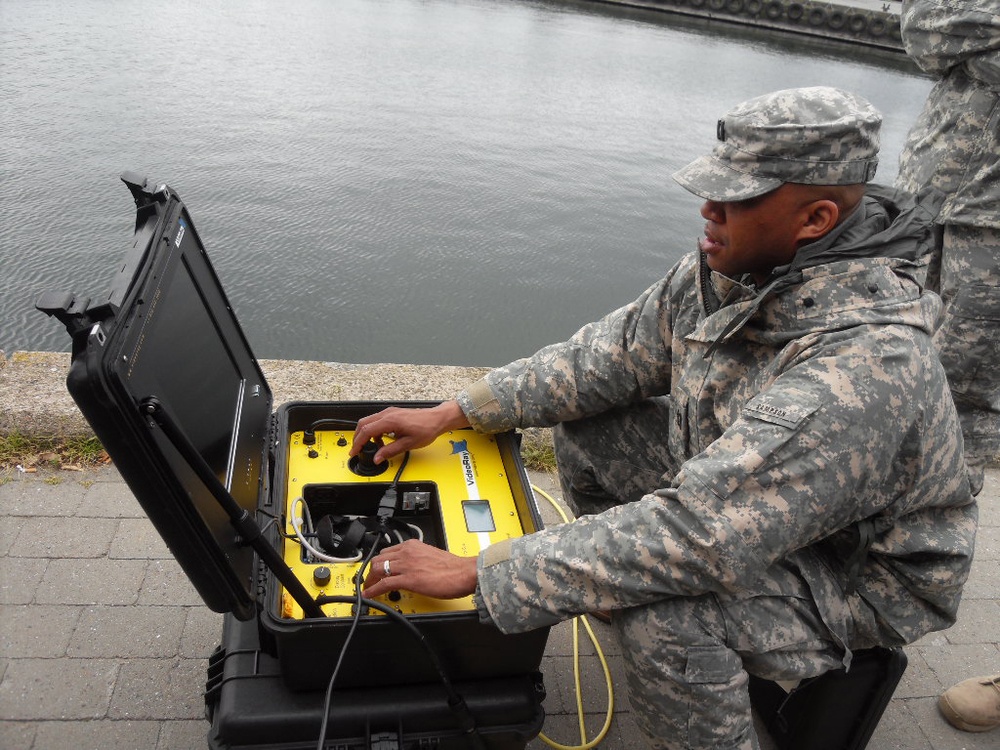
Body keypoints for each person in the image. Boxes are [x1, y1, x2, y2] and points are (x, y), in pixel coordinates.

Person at [353, 86, 977, 750]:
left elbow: (701, 534)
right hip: (755, 502)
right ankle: (649, 624)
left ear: (816, 219)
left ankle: (678, 660)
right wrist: (457, 412)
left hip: (858, 572)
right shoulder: (738, 266)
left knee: (667, 615)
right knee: (592, 432)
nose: (708, 209)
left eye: (736, 198)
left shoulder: (867, 364)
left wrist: (485, 570)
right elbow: (610, 358)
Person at [894, 0, 1000, 735]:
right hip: (937, 221)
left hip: (984, 244)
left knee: (954, 425)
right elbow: (929, 24)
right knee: (895, 403)